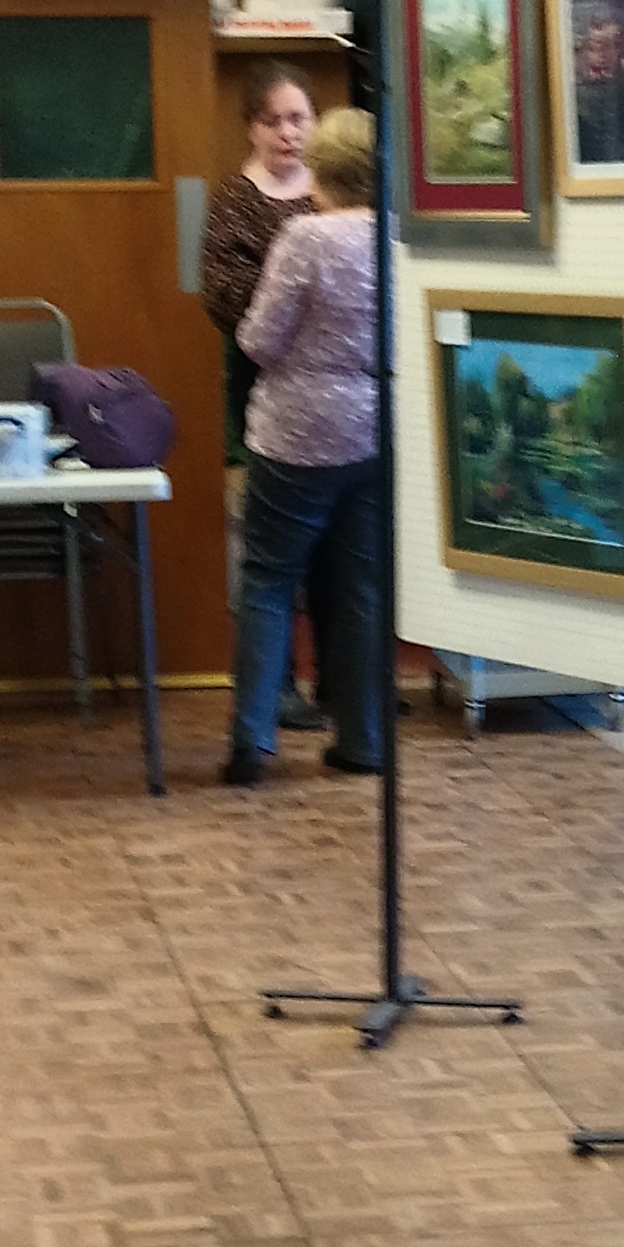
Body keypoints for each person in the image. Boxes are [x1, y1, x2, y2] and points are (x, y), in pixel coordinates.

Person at [223, 106, 385, 786]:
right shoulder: (398, 238)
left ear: (321, 170)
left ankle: (253, 742)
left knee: (267, 579)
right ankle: (364, 740)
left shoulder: (305, 237)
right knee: (360, 587)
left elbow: (259, 339)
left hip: (293, 434)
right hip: (372, 430)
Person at [196, 60, 328, 729]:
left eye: (298, 118)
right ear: (251, 126)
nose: (287, 133)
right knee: (263, 547)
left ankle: (342, 682)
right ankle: (276, 689)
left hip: (336, 402)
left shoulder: (332, 194)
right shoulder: (233, 198)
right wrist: (298, 315)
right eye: (273, 120)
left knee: (337, 552)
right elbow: (222, 292)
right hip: (259, 393)